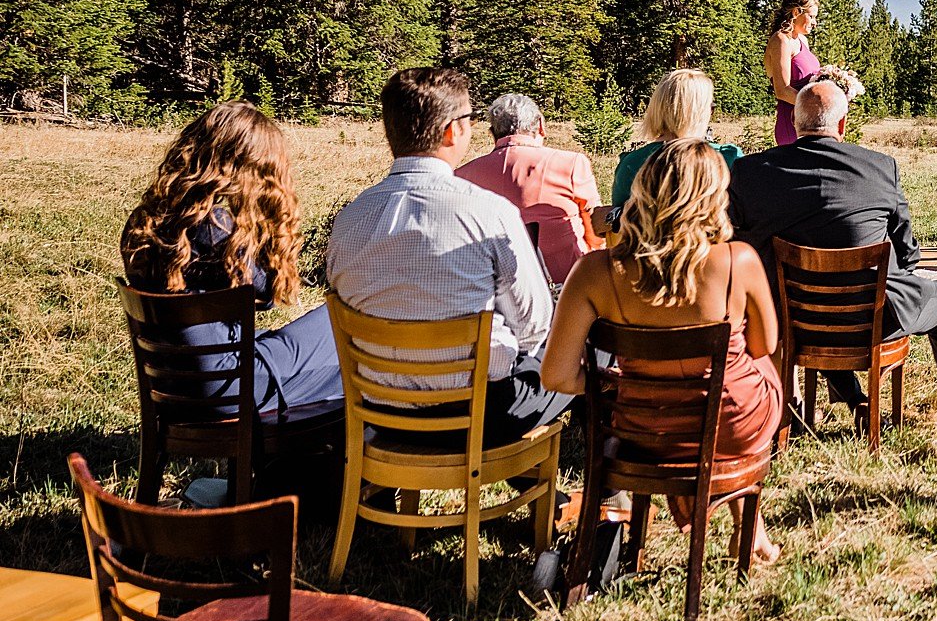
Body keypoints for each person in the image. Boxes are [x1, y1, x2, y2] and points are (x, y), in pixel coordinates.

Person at [543, 139, 783, 561]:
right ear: (713, 197)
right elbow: (767, 345)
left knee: (696, 393)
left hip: (643, 425)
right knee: (750, 368)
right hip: (733, 420)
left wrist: (614, 385)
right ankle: (748, 524)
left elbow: (557, 376)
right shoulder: (738, 260)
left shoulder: (596, 271)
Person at [727, 80, 937, 432]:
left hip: (788, 317)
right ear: (842, 124)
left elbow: (732, 238)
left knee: (816, 298)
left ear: (794, 122)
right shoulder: (879, 168)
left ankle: (857, 401)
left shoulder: (750, 172)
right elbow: (908, 250)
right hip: (871, 317)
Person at [327, 68, 571, 446]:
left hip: (380, 415)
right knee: (583, 353)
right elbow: (535, 329)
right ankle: (606, 498)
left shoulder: (349, 220)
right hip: (476, 419)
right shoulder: (489, 212)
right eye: (470, 119)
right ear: (451, 131)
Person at [119, 101, 341, 417]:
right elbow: (268, 295)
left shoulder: (147, 220)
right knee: (341, 319)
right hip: (226, 384)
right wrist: (268, 222)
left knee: (328, 349)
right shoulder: (216, 229)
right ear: (247, 169)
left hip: (173, 381)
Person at [455, 93, 602, 283]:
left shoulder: (463, 175)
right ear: (540, 125)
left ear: (492, 133)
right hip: (568, 282)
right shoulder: (572, 163)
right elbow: (594, 225)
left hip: (492, 285)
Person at [612, 69, 744, 210]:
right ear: (698, 112)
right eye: (711, 107)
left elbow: (620, 222)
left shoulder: (631, 163)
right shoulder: (727, 158)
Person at [767, 0, 822, 148]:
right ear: (796, 12)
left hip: (810, 123)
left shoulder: (803, 40)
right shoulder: (781, 40)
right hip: (792, 123)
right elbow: (782, 90)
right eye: (811, 16)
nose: (814, 23)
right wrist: (815, 107)